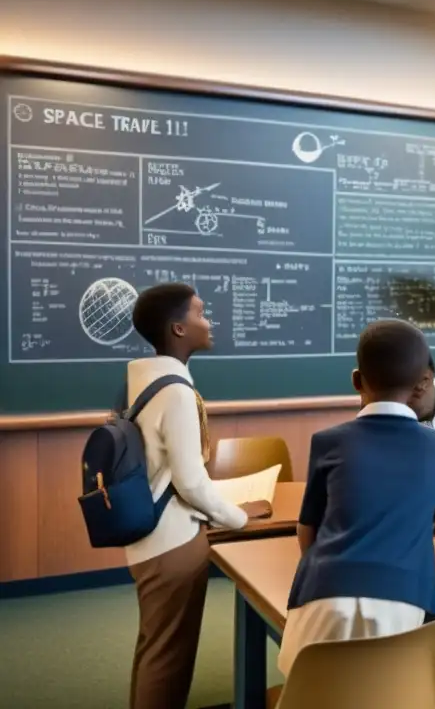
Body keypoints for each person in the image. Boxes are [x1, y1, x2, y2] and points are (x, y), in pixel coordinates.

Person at [277, 319, 435, 676]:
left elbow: (308, 528)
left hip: (323, 593)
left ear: (355, 380)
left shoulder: (328, 441)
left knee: (313, 689)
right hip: (405, 600)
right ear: (419, 386)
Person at [125, 283, 269, 709]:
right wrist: (238, 518)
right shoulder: (176, 392)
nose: (209, 321)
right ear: (178, 329)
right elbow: (190, 482)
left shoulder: (146, 381)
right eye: (201, 313)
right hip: (172, 540)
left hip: (149, 536)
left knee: (155, 648)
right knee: (169, 659)